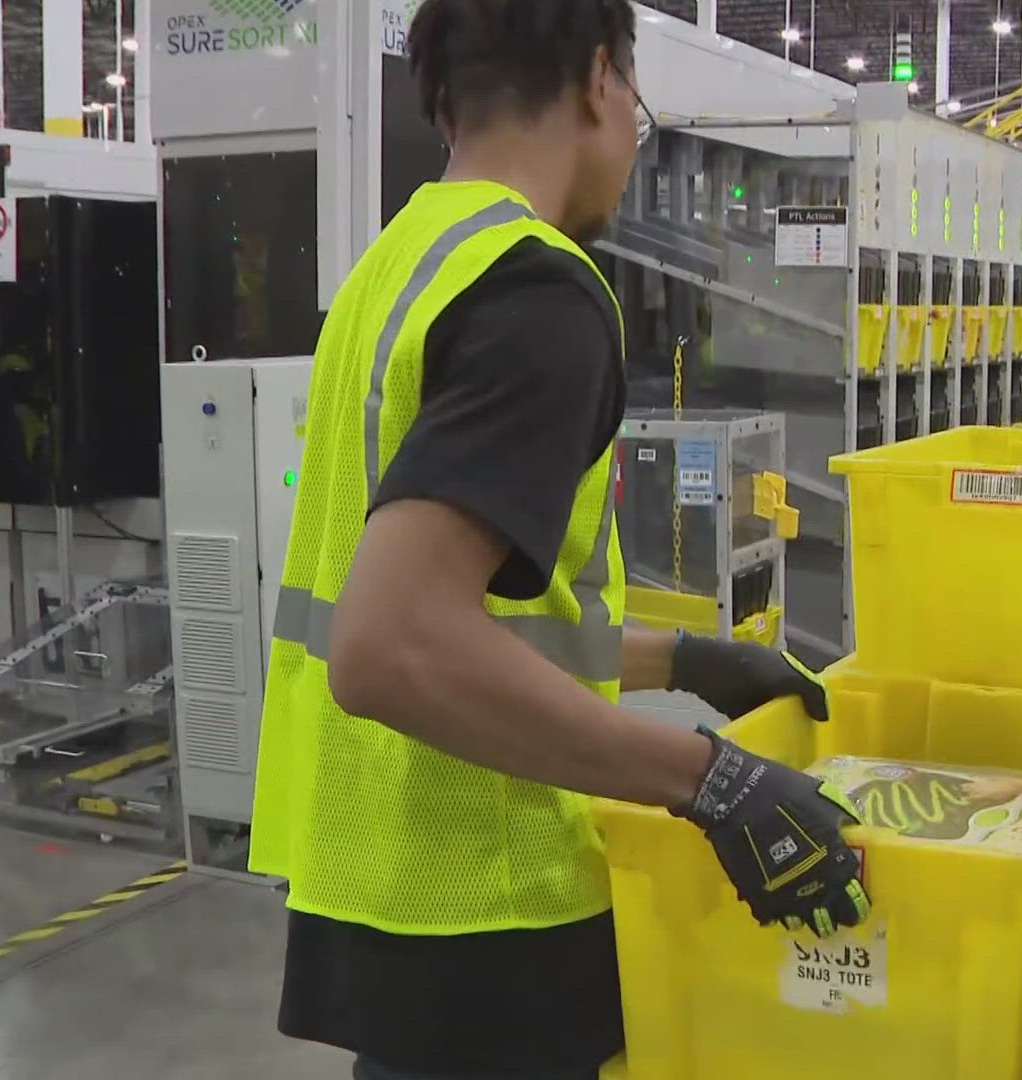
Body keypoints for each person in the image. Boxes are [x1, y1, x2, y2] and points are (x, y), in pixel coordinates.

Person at [246, 2, 868, 1077]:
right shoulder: (537, 290)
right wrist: (705, 780)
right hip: (496, 903)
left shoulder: (391, 270)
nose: (632, 136)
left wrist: (678, 660)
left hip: (384, 892)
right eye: (638, 101)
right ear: (596, 81)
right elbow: (392, 648)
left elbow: (449, 612)